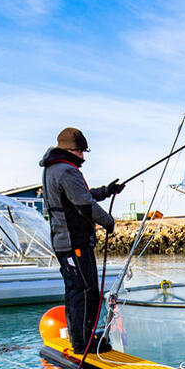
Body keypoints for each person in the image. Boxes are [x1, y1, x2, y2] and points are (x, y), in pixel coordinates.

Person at [41, 127, 125, 354]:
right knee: (87, 291)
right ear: (70, 149)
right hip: (74, 242)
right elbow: (85, 204)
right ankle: (83, 342)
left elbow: (80, 195)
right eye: (80, 151)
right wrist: (108, 222)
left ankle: (79, 336)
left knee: (75, 290)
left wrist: (107, 190)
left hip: (64, 242)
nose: (83, 156)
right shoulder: (66, 171)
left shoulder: (53, 168)